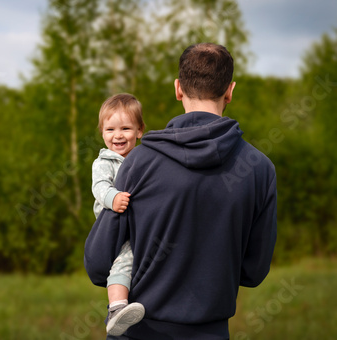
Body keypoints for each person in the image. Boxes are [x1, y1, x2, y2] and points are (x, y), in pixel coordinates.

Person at [84, 43, 277, 340]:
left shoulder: (139, 161)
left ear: (178, 89)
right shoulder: (260, 169)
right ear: (229, 91)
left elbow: (99, 264)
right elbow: (253, 271)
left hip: (138, 331)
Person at [91, 93, 146, 336]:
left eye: (125, 128)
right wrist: (112, 197)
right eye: (110, 129)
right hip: (113, 224)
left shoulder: (143, 159)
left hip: (136, 223)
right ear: (102, 132)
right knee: (124, 258)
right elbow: (99, 186)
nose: (118, 135)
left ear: (139, 131)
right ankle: (116, 307)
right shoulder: (104, 161)